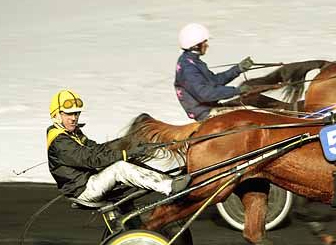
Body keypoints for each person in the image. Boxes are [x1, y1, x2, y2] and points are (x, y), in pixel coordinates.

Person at [46, 89, 181, 203]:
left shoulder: (72, 133)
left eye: (76, 113)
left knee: (126, 161)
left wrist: (128, 142)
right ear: (57, 115)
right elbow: (92, 159)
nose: (74, 118)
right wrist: (126, 154)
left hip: (90, 181)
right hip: (83, 189)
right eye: (69, 113)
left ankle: (171, 180)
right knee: (119, 168)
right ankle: (170, 187)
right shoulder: (60, 141)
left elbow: (98, 149)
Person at [174, 23, 255, 121]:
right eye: (204, 42)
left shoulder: (192, 61)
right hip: (205, 113)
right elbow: (205, 94)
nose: (207, 45)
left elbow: (214, 81)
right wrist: (237, 91)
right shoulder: (188, 68)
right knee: (253, 112)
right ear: (195, 46)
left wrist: (238, 69)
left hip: (208, 107)